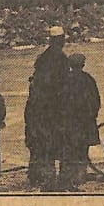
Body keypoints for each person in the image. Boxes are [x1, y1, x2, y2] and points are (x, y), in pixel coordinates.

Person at [25, 25, 69, 191]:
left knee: (42, 141)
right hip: (56, 108)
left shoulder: (42, 58)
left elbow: (37, 83)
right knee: (60, 142)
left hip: (40, 107)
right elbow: (63, 86)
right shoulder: (63, 59)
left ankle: (41, 175)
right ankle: (58, 178)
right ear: (62, 40)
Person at [60, 53, 100, 191]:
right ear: (83, 64)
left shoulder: (65, 80)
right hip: (85, 121)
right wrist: (92, 116)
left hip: (70, 121)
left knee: (70, 148)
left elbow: (61, 102)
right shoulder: (88, 79)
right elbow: (96, 101)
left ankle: (71, 176)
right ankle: (81, 174)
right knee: (83, 148)